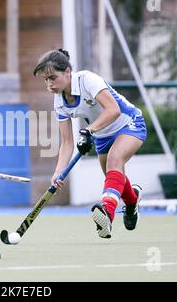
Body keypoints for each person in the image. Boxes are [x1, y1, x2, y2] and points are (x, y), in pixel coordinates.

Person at [33, 49, 147, 239]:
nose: (50, 84)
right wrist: (58, 172)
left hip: (128, 123)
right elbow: (67, 141)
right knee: (114, 175)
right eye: (46, 80)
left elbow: (113, 110)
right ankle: (132, 201)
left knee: (114, 160)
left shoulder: (88, 80)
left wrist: (89, 131)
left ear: (68, 71)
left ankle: (107, 215)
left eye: (53, 77)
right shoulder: (59, 102)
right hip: (102, 134)